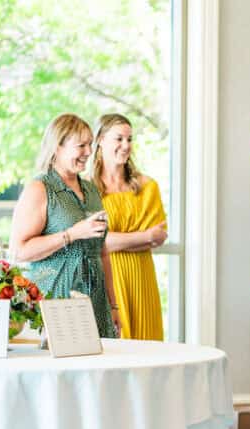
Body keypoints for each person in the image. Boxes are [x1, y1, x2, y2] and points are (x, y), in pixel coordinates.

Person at [10, 113, 120, 339]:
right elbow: (20, 250)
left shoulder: (91, 190)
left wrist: (114, 305)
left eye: (90, 144)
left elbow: (103, 253)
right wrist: (71, 234)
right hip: (57, 301)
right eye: (81, 145)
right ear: (57, 148)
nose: (89, 152)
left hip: (96, 303)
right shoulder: (40, 189)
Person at [92, 113, 168, 341]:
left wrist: (114, 239)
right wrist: (144, 236)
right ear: (100, 140)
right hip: (107, 277)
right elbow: (95, 241)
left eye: (130, 139)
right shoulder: (88, 189)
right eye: (119, 139)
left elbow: (160, 235)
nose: (126, 146)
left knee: (147, 345)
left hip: (142, 276)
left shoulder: (147, 186)